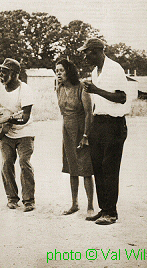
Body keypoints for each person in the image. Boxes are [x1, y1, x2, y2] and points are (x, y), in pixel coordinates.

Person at [79, 38, 129, 225]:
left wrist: (96, 90)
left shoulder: (114, 69)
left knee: (110, 168)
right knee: (98, 168)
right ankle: (104, 209)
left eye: (86, 52)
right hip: (98, 123)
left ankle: (112, 212)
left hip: (114, 124)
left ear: (96, 51)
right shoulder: (95, 71)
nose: (84, 56)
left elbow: (121, 97)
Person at [0, 58, 36, 212]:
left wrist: (10, 119)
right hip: (6, 132)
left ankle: (29, 200)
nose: (1, 74)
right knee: (6, 163)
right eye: (1, 71)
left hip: (24, 132)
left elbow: (25, 116)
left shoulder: (25, 90)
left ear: (14, 74)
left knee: (24, 163)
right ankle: (12, 198)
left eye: (5, 72)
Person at [55, 59, 94, 217]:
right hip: (67, 131)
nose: (58, 73)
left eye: (61, 70)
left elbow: (89, 113)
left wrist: (85, 136)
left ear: (69, 71)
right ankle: (74, 203)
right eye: (56, 70)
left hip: (81, 131)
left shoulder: (82, 87)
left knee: (85, 169)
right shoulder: (59, 88)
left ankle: (90, 206)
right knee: (72, 168)